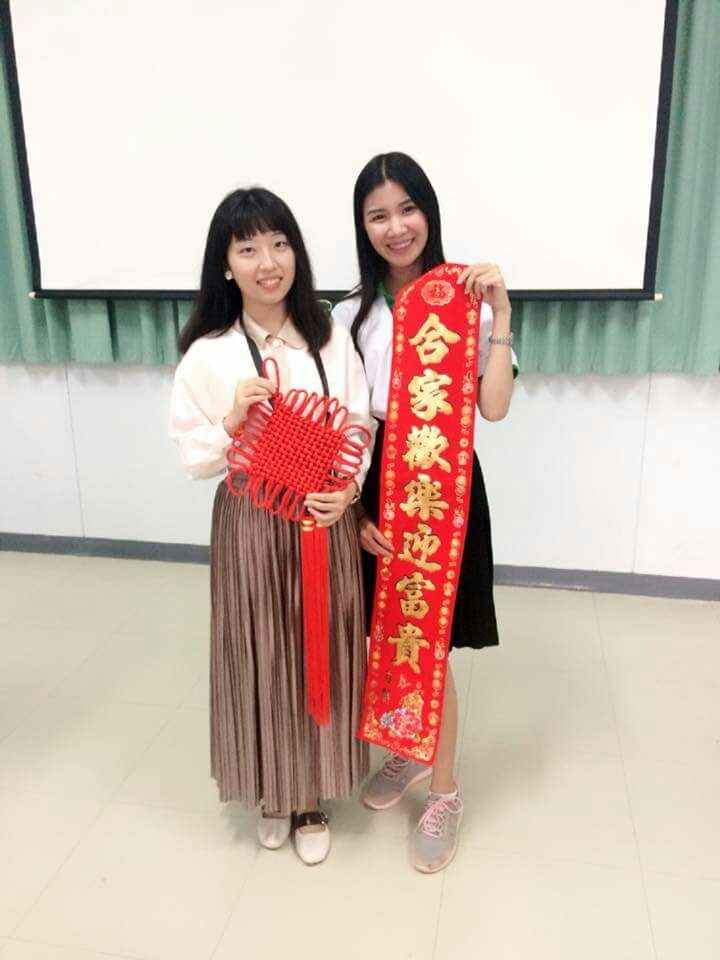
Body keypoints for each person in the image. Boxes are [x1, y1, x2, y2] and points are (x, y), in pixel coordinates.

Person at [169, 187, 373, 865]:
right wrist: (231, 422)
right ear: (225, 265)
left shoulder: (328, 336)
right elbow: (191, 456)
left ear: (296, 253)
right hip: (251, 523)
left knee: (323, 648)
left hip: (322, 523)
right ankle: (271, 792)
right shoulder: (209, 353)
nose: (268, 262)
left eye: (279, 244)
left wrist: (349, 491)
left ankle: (311, 793)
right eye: (248, 248)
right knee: (259, 649)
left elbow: (359, 425)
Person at [332, 152, 517, 873]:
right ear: (363, 227)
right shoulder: (349, 314)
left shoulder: (466, 300)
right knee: (386, 631)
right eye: (378, 215)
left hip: (442, 482)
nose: (396, 226)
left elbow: (493, 409)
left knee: (428, 640)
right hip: (376, 478)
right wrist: (353, 511)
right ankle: (406, 750)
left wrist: (501, 316)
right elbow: (346, 422)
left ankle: (444, 792)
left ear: (428, 212)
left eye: (407, 209)